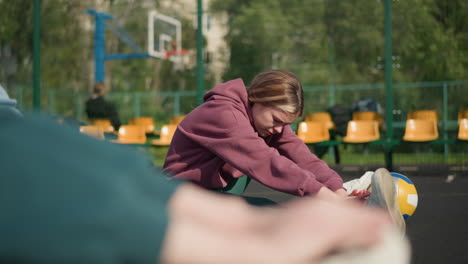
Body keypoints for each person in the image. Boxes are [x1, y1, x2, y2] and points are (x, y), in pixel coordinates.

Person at [0, 108, 410, 264]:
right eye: (279, 118)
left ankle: (291, 229)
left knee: (79, 150)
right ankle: (238, 248)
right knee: (261, 213)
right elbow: (264, 162)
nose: (282, 128)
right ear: (258, 101)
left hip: (189, 193)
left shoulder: (265, 118)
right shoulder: (225, 116)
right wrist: (328, 197)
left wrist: (339, 188)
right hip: (183, 190)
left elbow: (299, 155)